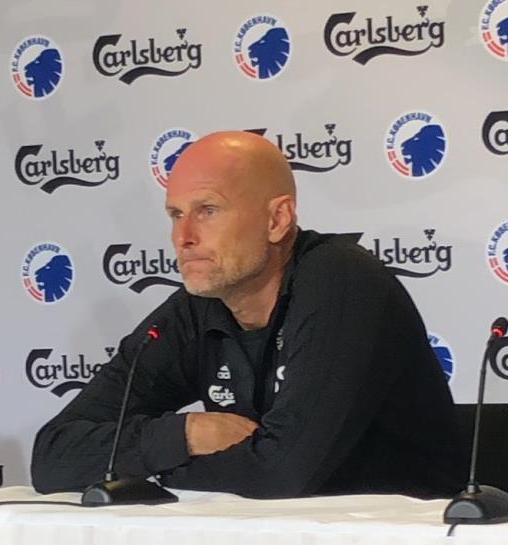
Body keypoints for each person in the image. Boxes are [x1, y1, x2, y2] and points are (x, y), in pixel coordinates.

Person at [31, 131, 466, 498]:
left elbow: (282, 473)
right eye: (176, 214)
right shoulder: (200, 305)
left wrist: (150, 476)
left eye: (208, 211)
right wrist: (187, 434)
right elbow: (51, 457)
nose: (183, 237)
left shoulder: (342, 280)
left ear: (277, 219)